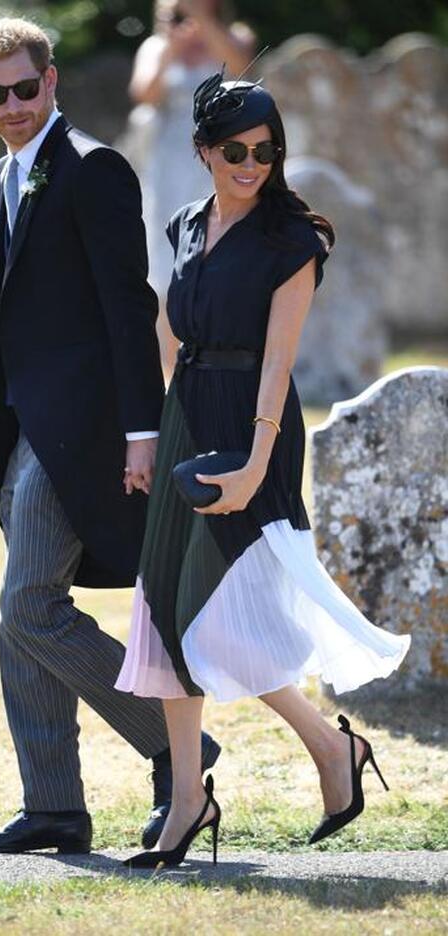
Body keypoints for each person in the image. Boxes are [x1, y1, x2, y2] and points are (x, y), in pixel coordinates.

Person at [0, 17, 221, 856]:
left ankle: (179, 746)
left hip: (89, 431)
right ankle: (54, 805)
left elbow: (132, 310)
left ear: (51, 81)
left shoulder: (95, 170)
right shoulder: (1, 177)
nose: (16, 105)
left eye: (29, 88)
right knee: (18, 614)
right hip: (20, 431)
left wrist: (141, 432)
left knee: (27, 606)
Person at [116, 72, 411, 867]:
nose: (253, 163)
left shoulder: (294, 240)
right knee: (167, 614)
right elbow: (170, 341)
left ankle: (328, 748)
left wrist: (251, 464)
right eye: (237, 149)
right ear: (204, 150)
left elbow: (279, 363)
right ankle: (187, 801)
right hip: (187, 425)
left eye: (267, 150)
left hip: (256, 431)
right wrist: (149, 438)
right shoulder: (182, 224)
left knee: (220, 611)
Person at [126, 0, 255, 373]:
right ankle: (172, 371)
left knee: (223, 260)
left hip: (221, 166)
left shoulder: (235, 37)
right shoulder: (156, 46)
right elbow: (144, 93)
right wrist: (171, 44)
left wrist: (203, 21)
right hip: (169, 168)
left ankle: (219, 364)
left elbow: (242, 70)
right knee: (167, 269)